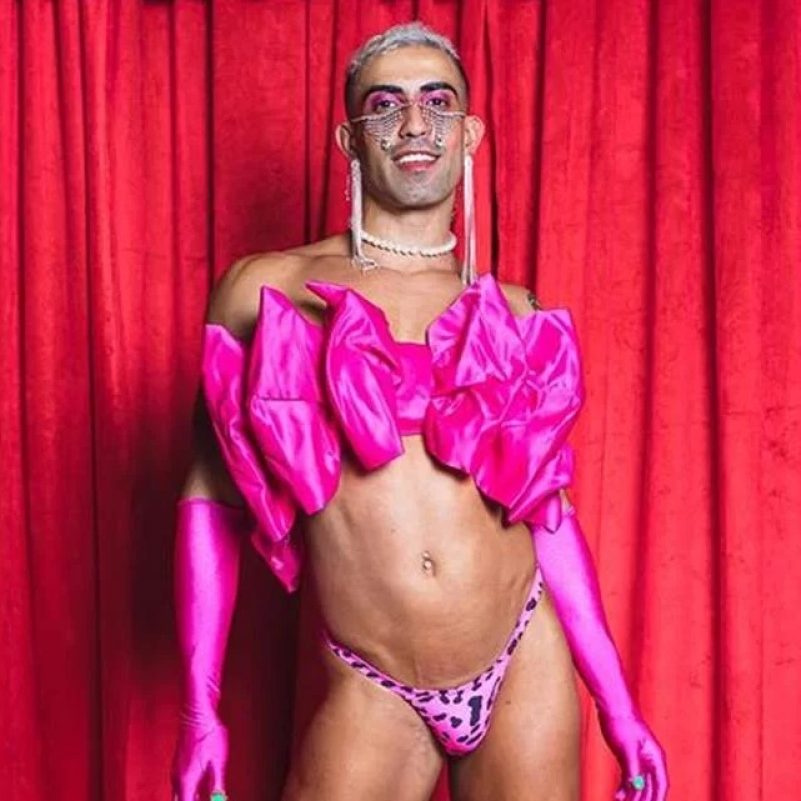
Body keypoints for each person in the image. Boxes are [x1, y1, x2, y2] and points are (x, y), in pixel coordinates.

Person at [170, 22, 668, 801]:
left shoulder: (513, 311)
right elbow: (211, 497)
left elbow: (550, 517)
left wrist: (619, 705)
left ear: (468, 134)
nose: (413, 124)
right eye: (385, 105)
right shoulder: (264, 289)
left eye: (438, 102)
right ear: (349, 138)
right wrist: (201, 709)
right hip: (373, 679)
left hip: (522, 659)